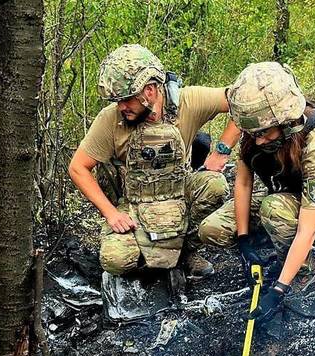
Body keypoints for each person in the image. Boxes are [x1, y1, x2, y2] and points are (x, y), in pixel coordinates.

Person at [199, 61, 315, 324]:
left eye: (263, 133)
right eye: (252, 133)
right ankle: (278, 248)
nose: (257, 140)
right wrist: (244, 240)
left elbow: (308, 227)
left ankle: (305, 275)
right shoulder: (256, 127)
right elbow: (244, 183)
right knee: (212, 229)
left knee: (274, 209)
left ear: (286, 122)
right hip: (286, 198)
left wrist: (280, 288)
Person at [68, 44, 240, 281]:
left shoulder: (187, 102)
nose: (121, 107)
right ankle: (145, 261)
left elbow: (242, 99)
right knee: (115, 260)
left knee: (215, 184)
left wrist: (222, 149)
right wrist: (111, 214)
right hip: (133, 204)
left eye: (126, 100)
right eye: (117, 101)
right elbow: (78, 168)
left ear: (149, 90)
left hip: (179, 194)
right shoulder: (111, 119)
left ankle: (187, 252)